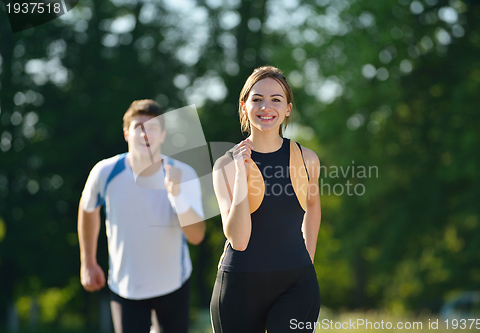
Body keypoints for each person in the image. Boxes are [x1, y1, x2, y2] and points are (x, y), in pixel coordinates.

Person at [78, 99, 206, 333]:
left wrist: (176, 194)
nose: (146, 133)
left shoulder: (183, 173)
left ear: (163, 135)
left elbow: (196, 236)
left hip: (173, 284)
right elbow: (87, 209)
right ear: (127, 133)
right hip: (125, 287)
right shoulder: (105, 172)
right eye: (138, 127)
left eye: (154, 128)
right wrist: (87, 261)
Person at [210, 66, 321, 332]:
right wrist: (240, 174)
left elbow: (313, 207)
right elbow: (239, 239)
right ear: (244, 106)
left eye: (276, 99)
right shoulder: (225, 165)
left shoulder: (307, 160)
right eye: (257, 99)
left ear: (288, 109)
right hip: (239, 287)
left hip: (297, 284)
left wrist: (308, 259)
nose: (266, 107)